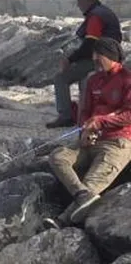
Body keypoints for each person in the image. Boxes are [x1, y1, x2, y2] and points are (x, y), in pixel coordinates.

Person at [47, 37, 131, 225]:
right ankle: (81, 194)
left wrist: (101, 122)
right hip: (90, 141)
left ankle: (62, 221)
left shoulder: (127, 79)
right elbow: (85, 113)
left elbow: (129, 115)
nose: (94, 61)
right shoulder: (93, 80)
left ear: (111, 57)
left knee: (94, 180)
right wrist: (84, 132)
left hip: (119, 142)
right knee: (58, 157)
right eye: (94, 57)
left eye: (98, 57)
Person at [48, 0, 123, 128]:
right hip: (110, 58)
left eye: (79, 3)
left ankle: (66, 116)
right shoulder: (103, 11)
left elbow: (90, 44)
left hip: (99, 60)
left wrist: (69, 60)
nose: (78, 6)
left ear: (86, 0)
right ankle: (85, 114)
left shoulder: (95, 16)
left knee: (61, 78)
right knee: (84, 81)